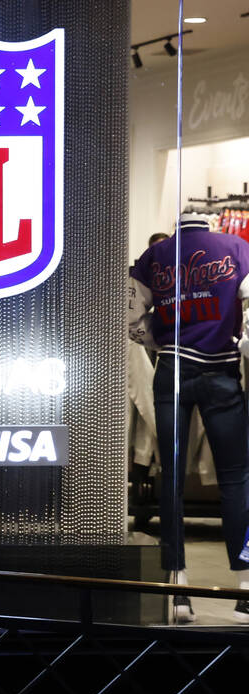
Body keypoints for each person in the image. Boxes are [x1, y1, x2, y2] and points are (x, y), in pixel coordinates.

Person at [129, 213, 249, 623]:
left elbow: (131, 319)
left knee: (172, 481)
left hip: (172, 370)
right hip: (221, 372)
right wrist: (236, 342)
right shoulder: (238, 249)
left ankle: (178, 589)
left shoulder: (153, 255)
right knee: (236, 480)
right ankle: (245, 589)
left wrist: (155, 338)